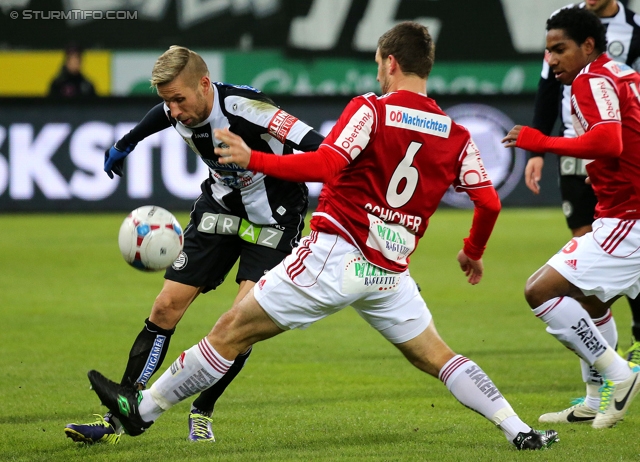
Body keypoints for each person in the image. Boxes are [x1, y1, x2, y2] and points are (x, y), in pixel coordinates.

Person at [85, 22, 559, 450]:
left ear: (390, 62)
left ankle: (139, 411)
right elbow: (489, 202)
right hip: (388, 272)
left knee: (229, 332)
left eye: (378, 64)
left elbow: (327, 163)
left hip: (335, 255)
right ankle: (518, 429)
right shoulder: (456, 134)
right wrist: (472, 251)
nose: (378, 74)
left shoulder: (371, 110)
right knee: (440, 357)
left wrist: (257, 160)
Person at [64, 46, 324, 444]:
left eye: (179, 99)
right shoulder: (175, 105)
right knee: (165, 306)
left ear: (205, 85)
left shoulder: (248, 109)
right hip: (219, 209)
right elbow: (161, 114)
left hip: (274, 219)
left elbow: (318, 145)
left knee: (241, 323)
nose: (174, 111)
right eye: (166, 101)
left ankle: (203, 409)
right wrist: (128, 141)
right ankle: (117, 416)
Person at [502, 6, 640, 429]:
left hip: (629, 219)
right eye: (547, 51)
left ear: (587, 45)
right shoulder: (622, 74)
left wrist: (540, 141)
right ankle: (592, 399)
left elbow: (609, 141)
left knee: (539, 291)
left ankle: (619, 376)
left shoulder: (590, 80)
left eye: (559, 49)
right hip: (622, 213)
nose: (552, 59)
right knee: (592, 301)